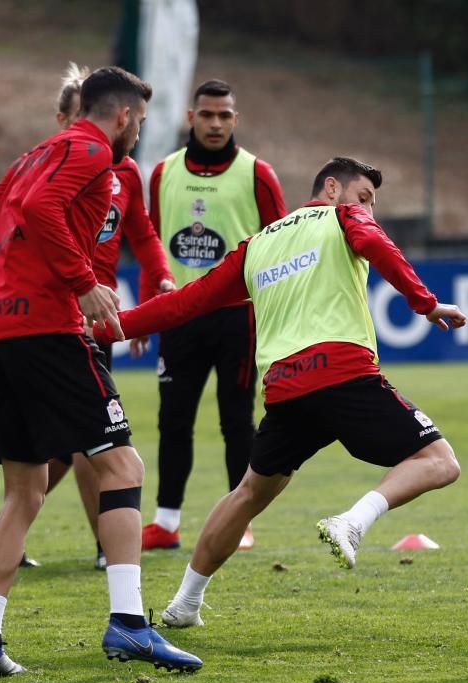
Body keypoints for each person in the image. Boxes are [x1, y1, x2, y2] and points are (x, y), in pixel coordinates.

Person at [94, 157, 465, 628]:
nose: (368, 210)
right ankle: (353, 521)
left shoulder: (257, 245)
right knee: (439, 461)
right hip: (343, 374)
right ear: (332, 188)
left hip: (286, 390)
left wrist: (115, 326)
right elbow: (373, 241)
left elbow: (187, 301)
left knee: (249, 491)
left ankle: (185, 603)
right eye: (364, 197)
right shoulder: (343, 217)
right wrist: (426, 303)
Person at [0, 66, 201, 678]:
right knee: (123, 465)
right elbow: (43, 210)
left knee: (25, 492)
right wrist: (83, 283)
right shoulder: (93, 150)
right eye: (141, 122)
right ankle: (129, 626)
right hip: (47, 328)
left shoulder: (33, 155)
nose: (139, 133)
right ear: (122, 115)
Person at [141, 78, 286, 552]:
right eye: (207, 114)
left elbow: (282, 247)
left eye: (225, 115)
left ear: (235, 120)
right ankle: (165, 522)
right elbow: (153, 246)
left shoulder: (257, 174)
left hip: (237, 319)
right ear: (191, 117)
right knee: (173, 421)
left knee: (236, 421)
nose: (216, 123)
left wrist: (276, 316)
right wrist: (148, 312)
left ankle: (238, 521)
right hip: (180, 315)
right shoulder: (162, 173)